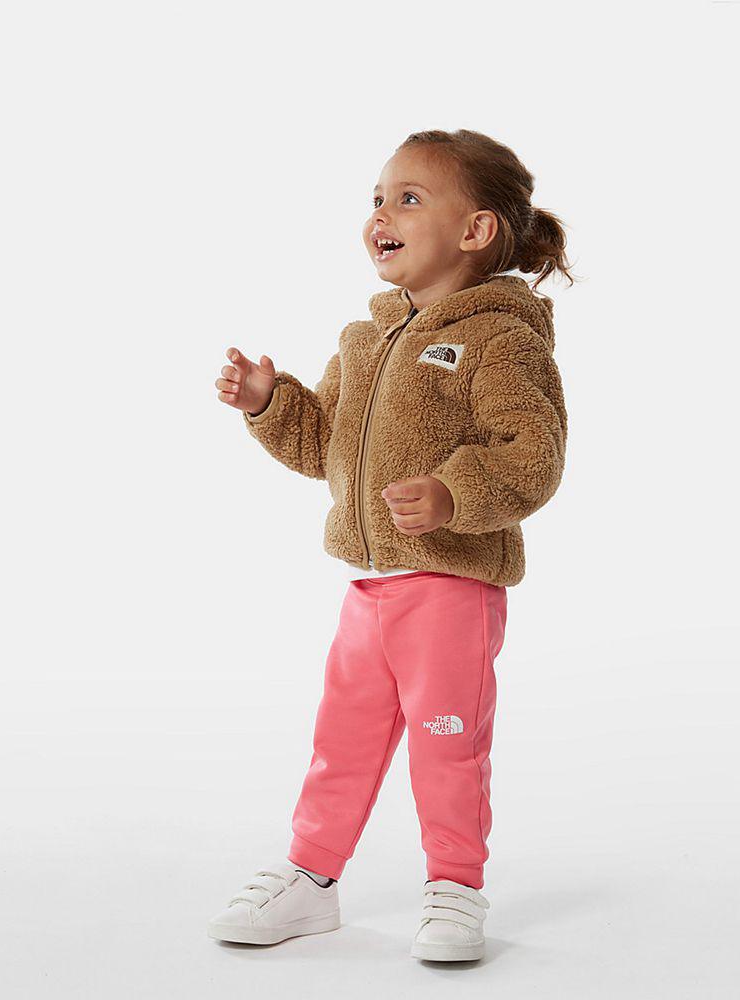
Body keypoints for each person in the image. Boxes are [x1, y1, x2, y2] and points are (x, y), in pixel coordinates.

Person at [208, 128, 575, 962]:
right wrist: (271, 404)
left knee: (448, 747)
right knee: (340, 742)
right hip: (367, 590)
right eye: (377, 198)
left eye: (409, 198)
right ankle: (311, 879)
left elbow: (534, 455)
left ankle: (456, 886)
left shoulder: (500, 340)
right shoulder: (364, 341)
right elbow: (324, 448)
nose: (382, 214)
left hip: (450, 589)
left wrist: (453, 492)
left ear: (475, 230)